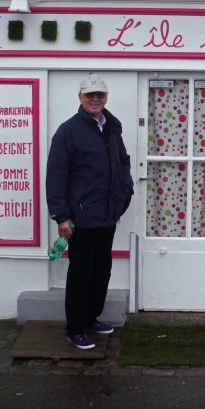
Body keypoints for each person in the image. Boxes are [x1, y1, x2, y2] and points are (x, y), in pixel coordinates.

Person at [46, 73, 134, 350]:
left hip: (107, 215)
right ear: (80, 98)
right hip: (81, 217)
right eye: (90, 95)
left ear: (106, 97)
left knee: (102, 270)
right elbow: (56, 177)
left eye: (100, 95)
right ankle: (75, 328)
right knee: (81, 273)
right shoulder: (68, 131)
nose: (95, 100)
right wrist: (62, 217)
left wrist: (124, 193)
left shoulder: (112, 126)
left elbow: (122, 163)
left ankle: (90, 318)